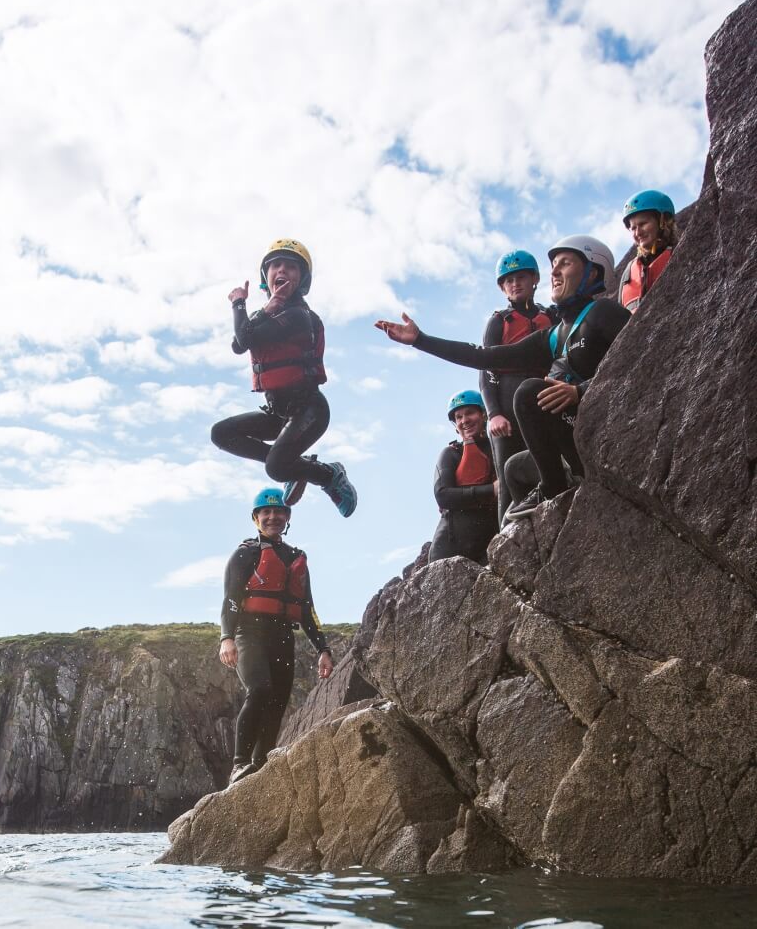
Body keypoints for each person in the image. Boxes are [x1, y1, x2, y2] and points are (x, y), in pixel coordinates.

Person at [375, 235, 631, 520]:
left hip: (607, 428)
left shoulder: (604, 313)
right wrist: (420, 340)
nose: (554, 272)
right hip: (572, 435)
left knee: (529, 391)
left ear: (593, 271)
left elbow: (639, 362)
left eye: (565, 264)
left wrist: (580, 391)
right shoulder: (554, 334)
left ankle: (555, 486)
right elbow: (484, 357)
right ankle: (554, 490)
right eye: (553, 265)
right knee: (512, 469)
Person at [211, 239, 357, 517]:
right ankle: (294, 466)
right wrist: (262, 308)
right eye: (276, 265)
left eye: (291, 267)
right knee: (221, 433)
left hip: (309, 409)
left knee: (275, 469)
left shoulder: (298, 315)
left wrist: (239, 303)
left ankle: (328, 475)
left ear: (302, 279)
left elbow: (245, 338)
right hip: (279, 414)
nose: (282, 270)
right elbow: (237, 346)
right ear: (266, 276)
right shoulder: (264, 315)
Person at [219, 487, 334, 785]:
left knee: (278, 701)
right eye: (266, 512)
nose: (273, 517)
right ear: (256, 518)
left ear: (287, 516)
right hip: (249, 633)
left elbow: (307, 608)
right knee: (259, 689)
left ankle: (261, 764)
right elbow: (230, 599)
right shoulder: (245, 553)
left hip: (283, 635)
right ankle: (239, 763)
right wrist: (226, 638)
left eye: (278, 512)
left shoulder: (297, 558)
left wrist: (323, 648)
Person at [481, 250, 556, 523]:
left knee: (543, 461)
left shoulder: (551, 316)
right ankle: (505, 540)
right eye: (509, 280)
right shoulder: (499, 321)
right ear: (502, 287)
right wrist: (493, 414)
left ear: (535, 279)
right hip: (506, 402)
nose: (515, 284)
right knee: (506, 476)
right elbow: (486, 368)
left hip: (540, 396)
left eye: (521, 277)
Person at [430, 390, 499, 564]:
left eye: (470, 413)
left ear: (483, 414)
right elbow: (443, 495)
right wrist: (492, 489)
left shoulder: (500, 447)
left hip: (489, 544)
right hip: (449, 551)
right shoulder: (451, 454)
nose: (464, 420)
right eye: (458, 417)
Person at [619, 190, 678, 313]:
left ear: (663, 220)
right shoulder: (628, 273)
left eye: (643, 224)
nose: (637, 233)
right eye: (633, 228)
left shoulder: (680, 254)